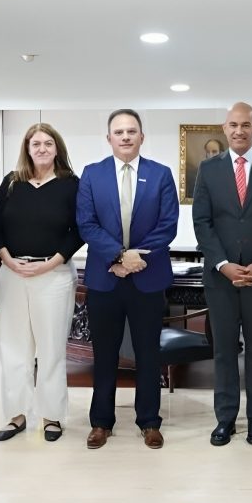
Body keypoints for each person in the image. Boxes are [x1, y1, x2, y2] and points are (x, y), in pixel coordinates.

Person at [76, 109, 178, 450]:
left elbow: (167, 225)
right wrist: (119, 257)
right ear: (109, 138)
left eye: (131, 131)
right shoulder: (92, 174)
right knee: (104, 354)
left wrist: (135, 259)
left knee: (148, 353)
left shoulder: (161, 174)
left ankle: (149, 421)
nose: (125, 136)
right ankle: (101, 422)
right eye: (118, 132)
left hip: (147, 278)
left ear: (141, 137)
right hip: (105, 278)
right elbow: (87, 224)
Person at [192, 101, 252, 446]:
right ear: (224, 128)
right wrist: (223, 264)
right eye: (233, 125)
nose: (239, 131)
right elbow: (201, 221)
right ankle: (225, 419)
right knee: (223, 351)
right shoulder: (208, 169)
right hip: (220, 278)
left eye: (245, 125)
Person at [0, 123, 82, 443]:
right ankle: (16, 415)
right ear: (27, 149)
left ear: (57, 148)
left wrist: (51, 263)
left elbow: (79, 231)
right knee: (13, 346)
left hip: (54, 275)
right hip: (13, 273)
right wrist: (7, 259)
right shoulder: (11, 182)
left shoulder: (71, 184)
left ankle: (52, 416)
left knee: (51, 348)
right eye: (35, 144)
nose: (42, 148)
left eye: (48, 143)